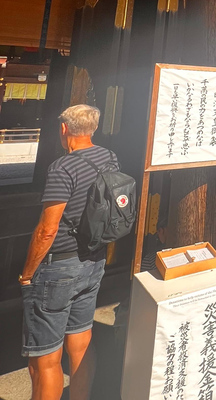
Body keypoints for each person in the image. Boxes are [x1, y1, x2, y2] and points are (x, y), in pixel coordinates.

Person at [19, 105, 119, 399]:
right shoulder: (109, 158)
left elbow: (47, 230)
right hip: (93, 260)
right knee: (81, 341)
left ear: (64, 129)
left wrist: (27, 273)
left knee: (45, 358)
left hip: (58, 265)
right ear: (93, 128)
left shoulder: (62, 168)